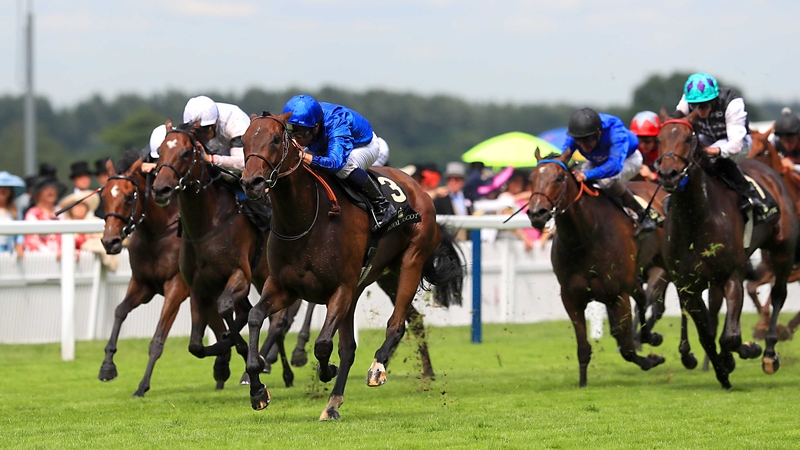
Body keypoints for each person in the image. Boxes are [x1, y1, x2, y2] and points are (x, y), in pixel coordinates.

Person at [282, 94, 397, 231]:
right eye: (291, 130)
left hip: (363, 146)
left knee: (343, 168)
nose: (295, 138)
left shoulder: (336, 123)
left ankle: (382, 205)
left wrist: (305, 157)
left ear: (316, 127)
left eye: (301, 133)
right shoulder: (304, 119)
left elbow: (335, 164)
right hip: (324, 145)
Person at [675, 72, 764, 212]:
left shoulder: (732, 103)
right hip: (707, 138)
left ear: (714, 99)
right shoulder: (687, 101)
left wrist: (709, 151)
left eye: (704, 105)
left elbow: (735, 145)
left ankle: (747, 191)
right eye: (695, 106)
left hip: (737, 142)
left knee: (710, 158)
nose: (699, 111)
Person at [562, 107, 656, 236]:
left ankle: (643, 215)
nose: (583, 145)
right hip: (598, 160)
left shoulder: (615, 130)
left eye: (588, 140)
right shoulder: (576, 134)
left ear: (599, 133)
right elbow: (562, 158)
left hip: (627, 159)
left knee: (606, 181)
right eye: (579, 141)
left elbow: (614, 166)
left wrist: (586, 175)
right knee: (577, 183)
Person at [24, 176, 64, 257]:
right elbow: (31, 241)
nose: (50, 191)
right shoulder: (33, 213)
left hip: (62, 257)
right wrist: (51, 254)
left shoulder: (60, 211)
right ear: (38, 194)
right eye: (45, 189)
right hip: (40, 260)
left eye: (52, 188)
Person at [0, 171, 26, 258]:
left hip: (9, 252)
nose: (3, 190)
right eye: (0, 187)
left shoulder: (15, 211)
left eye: (6, 187)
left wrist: (19, 244)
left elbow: (20, 231)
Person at [629, 111, 661, 182]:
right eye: (639, 140)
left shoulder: (663, 151)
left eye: (647, 140)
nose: (643, 145)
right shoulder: (632, 149)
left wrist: (652, 176)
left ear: (656, 139)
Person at [772, 108, 800, 173]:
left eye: (791, 140)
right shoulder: (776, 141)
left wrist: (794, 167)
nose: (787, 144)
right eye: (784, 140)